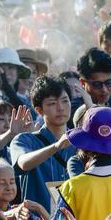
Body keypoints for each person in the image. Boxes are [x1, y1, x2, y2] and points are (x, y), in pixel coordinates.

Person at [13, 76, 75, 213]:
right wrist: (56, 146)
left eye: (65, 101)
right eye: (52, 103)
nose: (60, 108)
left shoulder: (81, 142)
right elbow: (23, 163)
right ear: (39, 110)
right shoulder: (24, 140)